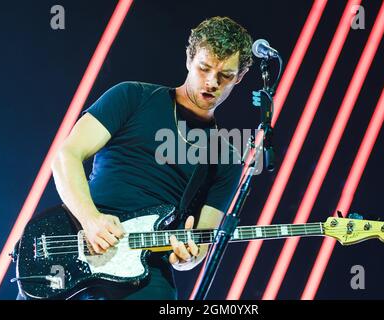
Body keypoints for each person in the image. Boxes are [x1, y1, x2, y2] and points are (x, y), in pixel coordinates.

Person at [49, 16, 253, 300]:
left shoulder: (227, 157)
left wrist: (188, 258)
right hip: (80, 238)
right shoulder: (132, 97)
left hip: (147, 272)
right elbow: (66, 155)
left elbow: (202, 243)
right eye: (204, 68)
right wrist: (91, 219)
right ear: (188, 59)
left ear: (239, 78)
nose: (211, 82)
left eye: (225, 76)